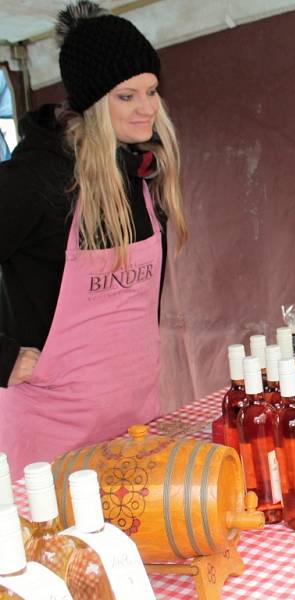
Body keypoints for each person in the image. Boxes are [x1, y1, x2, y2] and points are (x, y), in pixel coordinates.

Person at [0, 1, 187, 478]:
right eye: (127, 96)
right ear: (93, 101)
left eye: (151, 91)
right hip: (51, 439)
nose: (147, 108)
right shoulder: (36, 180)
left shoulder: (142, 176)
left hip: (136, 424)